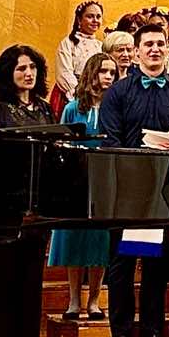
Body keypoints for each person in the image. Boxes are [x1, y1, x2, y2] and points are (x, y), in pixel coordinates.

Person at [98, 22, 169, 337]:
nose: (154, 49)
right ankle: (121, 334)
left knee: (157, 263)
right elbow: (110, 140)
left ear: (168, 49)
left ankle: (153, 332)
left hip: (164, 190)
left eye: (160, 44)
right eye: (148, 44)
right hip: (127, 190)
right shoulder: (118, 92)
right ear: (137, 51)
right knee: (122, 263)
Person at [0, 45, 56, 337]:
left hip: (37, 200)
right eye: (21, 68)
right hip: (4, 199)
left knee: (30, 272)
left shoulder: (44, 108)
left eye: (32, 67)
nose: (28, 73)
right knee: (2, 274)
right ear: (8, 73)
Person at [52, 53, 120, 321]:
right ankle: (73, 299)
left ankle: (93, 299)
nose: (108, 77)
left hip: (104, 180)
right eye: (103, 71)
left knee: (98, 241)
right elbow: (61, 142)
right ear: (91, 73)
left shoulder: (115, 108)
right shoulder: (73, 108)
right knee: (74, 238)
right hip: (76, 180)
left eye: (112, 73)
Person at [54, 0, 104, 113]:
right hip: (71, 94)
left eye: (98, 17)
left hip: (96, 96)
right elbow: (64, 72)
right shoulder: (68, 43)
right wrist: (80, 93)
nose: (95, 20)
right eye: (90, 16)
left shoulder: (101, 46)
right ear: (79, 19)